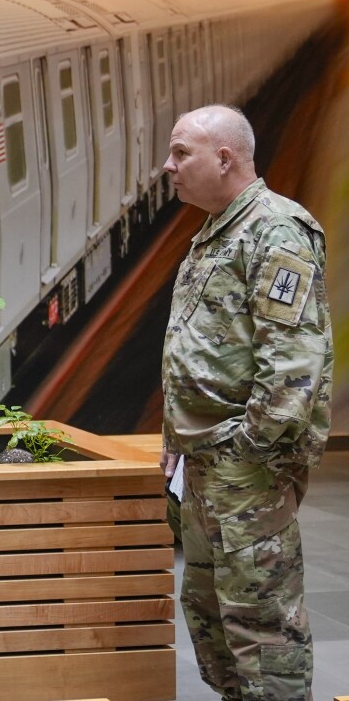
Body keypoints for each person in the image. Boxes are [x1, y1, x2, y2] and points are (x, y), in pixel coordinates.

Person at [160, 104, 333, 701]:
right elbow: (200, 351)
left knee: (261, 624)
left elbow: (293, 363)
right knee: (212, 617)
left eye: (182, 153)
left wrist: (250, 452)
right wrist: (176, 440)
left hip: (244, 468)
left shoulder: (276, 231)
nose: (169, 165)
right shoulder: (218, 230)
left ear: (225, 157)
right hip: (206, 463)